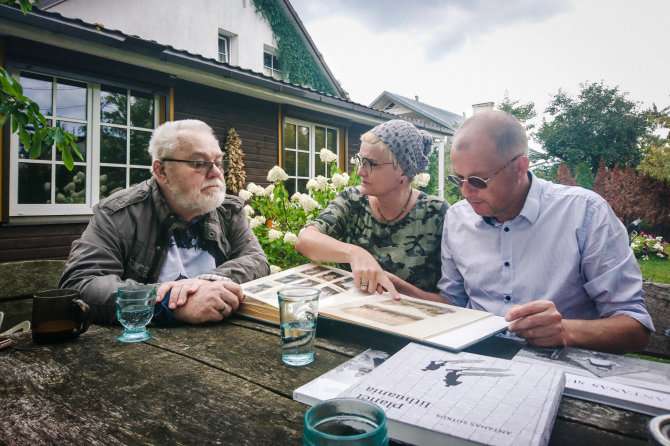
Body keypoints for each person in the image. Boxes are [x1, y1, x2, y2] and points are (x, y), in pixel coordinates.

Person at [434, 110, 653, 354]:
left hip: (563, 367)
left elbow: (636, 328)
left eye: (478, 180)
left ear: (519, 168)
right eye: (458, 179)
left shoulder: (584, 213)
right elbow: (453, 303)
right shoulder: (457, 217)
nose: (465, 192)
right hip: (475, 361)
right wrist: (398, 287)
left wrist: (566, 330)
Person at [60, 119, 269, 325]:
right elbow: (81, 284)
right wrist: (166, 302)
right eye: (199, 163)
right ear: (161, 171)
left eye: (218, 162)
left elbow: (256, 260)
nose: (215, 173)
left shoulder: (228, 210)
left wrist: (206, 282)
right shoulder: (117, 214)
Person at [295, 119, 448, 299]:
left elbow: (452, 303)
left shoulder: (437, 214)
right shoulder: (352, 200)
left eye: (371, 163)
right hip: (350, 317)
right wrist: (355, 253)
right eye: (361, 161)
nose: (360, 171)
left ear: (404, 170)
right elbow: (304, 241)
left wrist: (398, 287)